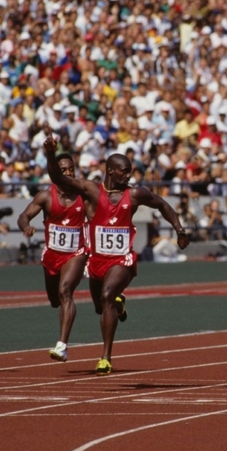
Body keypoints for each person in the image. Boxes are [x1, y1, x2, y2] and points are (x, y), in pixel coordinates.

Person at [43, 129, 189, 375]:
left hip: (122, 259)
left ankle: (105, 357)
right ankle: (118, 304)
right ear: (111, 171)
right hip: (97, 260)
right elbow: (59, 179)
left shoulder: (134, 194)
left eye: (130, 171)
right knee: (102, 307)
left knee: (108, 295)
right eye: (124, 171)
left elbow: (162, 204)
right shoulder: (90, 190)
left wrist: (180, 229)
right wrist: (50, 154)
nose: (129, 175)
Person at [17, 153, 88, 363]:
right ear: (55, 173)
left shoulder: (83, 195)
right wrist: (26, 226)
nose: (67, 173)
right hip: (51, 255)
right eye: (63, 170)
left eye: (70, 169)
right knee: (55, 300)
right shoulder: (46, 196)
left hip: (75, 253)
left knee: (65, 291)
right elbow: (24, 216)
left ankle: (62, 345)